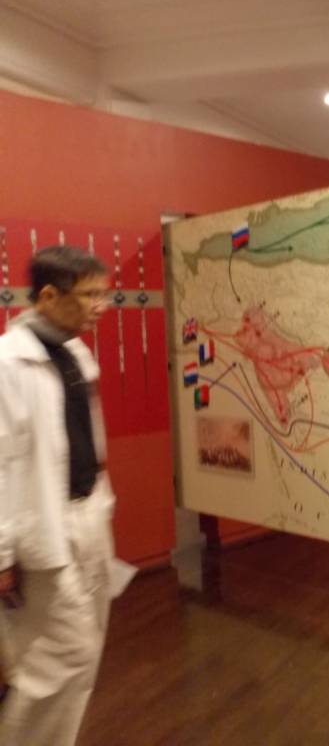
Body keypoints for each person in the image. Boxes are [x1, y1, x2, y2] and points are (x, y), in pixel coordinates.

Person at [0, 246, 124, 745]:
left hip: (87, 514)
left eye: (104, 294)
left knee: (86, 646)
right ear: (49, 296)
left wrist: (102, 501)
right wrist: (2, 554)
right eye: (90, 295)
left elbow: (85, 439)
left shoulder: (75, 352)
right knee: (60, 660)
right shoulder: (8, 363)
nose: (102, 306)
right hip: (41, 529)